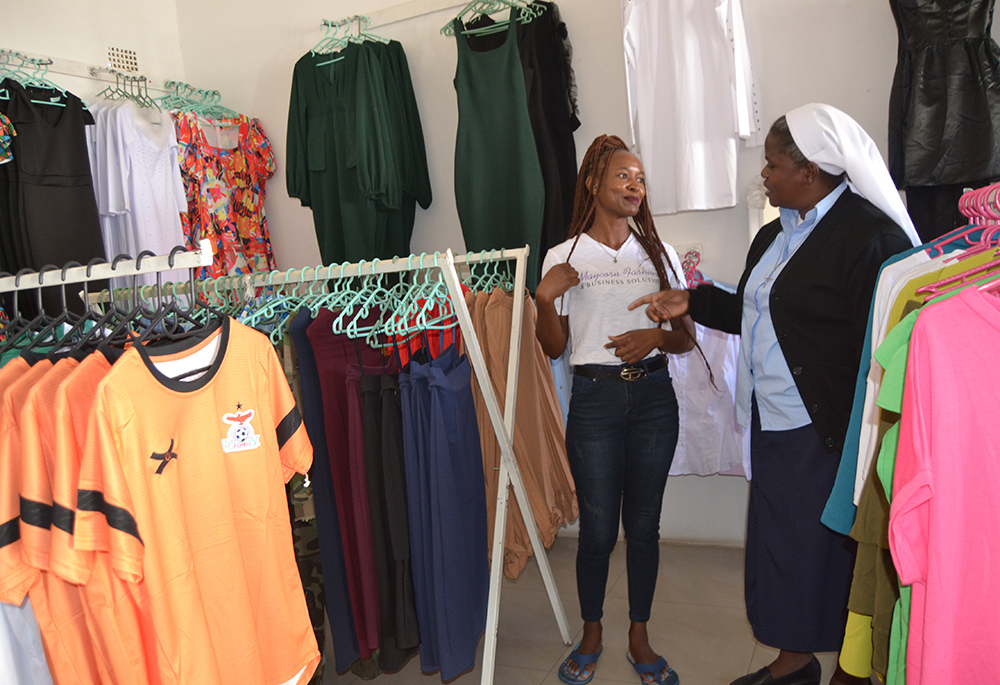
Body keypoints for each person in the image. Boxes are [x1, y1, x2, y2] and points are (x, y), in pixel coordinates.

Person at [630, 103, 919, 685]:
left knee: (826, 550)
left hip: (825, 429)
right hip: (769, 418)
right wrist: (695, 299)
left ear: (810, 172)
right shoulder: (773, 234)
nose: (763, 176)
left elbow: (890, 341)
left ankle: (851, 667)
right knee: (779, 546)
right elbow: (756, 311)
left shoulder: (869, 238)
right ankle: (794, 659)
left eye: (772, 166)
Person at [536, 134, 696, 685]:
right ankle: (592, 631)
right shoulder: (564, 256)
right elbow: (554, 347)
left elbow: (684, 339)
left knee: (645, 527)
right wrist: (542, 299)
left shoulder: (659, 254)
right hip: (596, 403)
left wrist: (655, 335)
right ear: (593, 182)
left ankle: (639, 635)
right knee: (600, 529)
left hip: (654, 399)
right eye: (624, 176)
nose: (635, 186)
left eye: (641, 179)